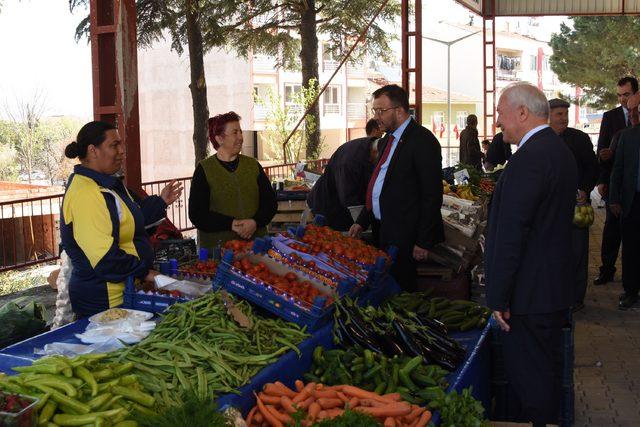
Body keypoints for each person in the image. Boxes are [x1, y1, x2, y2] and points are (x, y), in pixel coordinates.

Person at [486, 83, 578, 426]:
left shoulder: (531, 157)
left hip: (530, 292)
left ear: (522, 113)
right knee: (542, 370)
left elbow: (513, 233)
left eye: (500, 112)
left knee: (533, 377)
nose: (498, 121)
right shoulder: (554, 149)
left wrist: (498, 295)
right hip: (547, 286)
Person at [61, 121, 162, 318]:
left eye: (121, 144)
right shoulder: (86, 194)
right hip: (104, 300)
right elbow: (105, 258)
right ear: (93, 151)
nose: (122, 151)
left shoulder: (109, 184)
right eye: (114, 145)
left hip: (125, 291)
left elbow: (133, 223)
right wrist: (146, 273)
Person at [348, 84, 444, 291]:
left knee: (402, 288)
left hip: (406, 235)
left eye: (381, 111)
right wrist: (362, 221)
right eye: (374, 111)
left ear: (399, 111)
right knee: (386, 286)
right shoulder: (386, 142)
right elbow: (378, 186)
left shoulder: (423, 141)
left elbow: (432, 194)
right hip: (383, 230)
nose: (376, 117)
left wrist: (424, 240)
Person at [189, 111, 277, 250]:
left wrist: (255, 222)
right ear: (219, 139)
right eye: (235, 133)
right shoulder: (204, 170)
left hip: (256, 254)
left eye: (240, 132)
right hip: (218, 253)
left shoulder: (253, 166)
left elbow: (270, 203)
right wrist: (232, 224)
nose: (241, 137)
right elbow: (198, 214)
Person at [548, 98, 599, 312]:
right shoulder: (542, 140)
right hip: (550, 210)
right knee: (553, 254)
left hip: (578, 209)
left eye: (565, 114)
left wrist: (585, 190)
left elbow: (592, 168)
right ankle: (555, 295)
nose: (564, 118)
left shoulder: (580, 139)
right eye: (559, 114)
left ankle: (576, 298)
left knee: (577, 253)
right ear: (548, 116)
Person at [594, 76, 638, 286]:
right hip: (614, 182)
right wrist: (602, 180)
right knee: (611, 230)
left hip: (635, 184)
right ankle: (607, 270)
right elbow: (601, 148)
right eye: (619, 95)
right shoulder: (609, 117)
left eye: (626, 95)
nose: (622, 99)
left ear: (636, 94)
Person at [306, 119, 382, 231]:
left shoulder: (369, 150)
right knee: (333, 240)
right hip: (326, 206)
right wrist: (364, 226)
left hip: (342, 205)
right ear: (375, 153)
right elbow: (350, 198)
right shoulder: (349, 161)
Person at [609, 93, 640, 310]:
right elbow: (617, 170)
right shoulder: (627, 137)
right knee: (631, 248)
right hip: (633, 201)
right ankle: (630, 291)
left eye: (635, 110)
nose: (633, 115)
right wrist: (614, 199)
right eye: (631, 111)